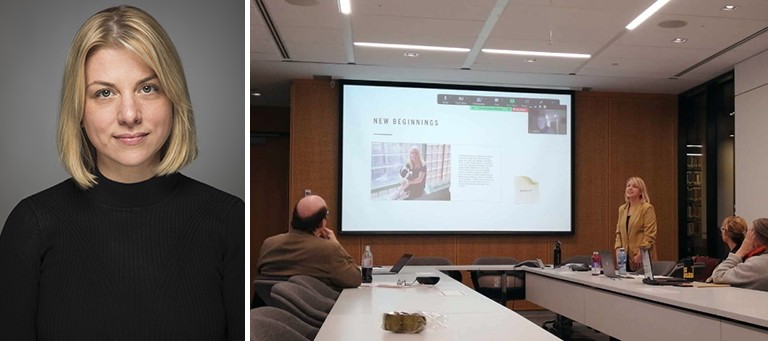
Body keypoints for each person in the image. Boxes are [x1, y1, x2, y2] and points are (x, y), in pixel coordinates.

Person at [0, 6, 243, 340]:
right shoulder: (31, 225)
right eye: (104, 93)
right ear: (78, 111)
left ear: (174, 98)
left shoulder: (230, 222)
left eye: (148, 88)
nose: (129, 114)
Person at [257, 195, 362, 289]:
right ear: (322, 223)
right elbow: (355, 279)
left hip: (273, 308)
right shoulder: (328, 249)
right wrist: (337, 246)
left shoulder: (269, 244)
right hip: (317, 309)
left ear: (293, 218)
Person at [614, 176, 657, 272]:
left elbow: (649, 235)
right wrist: (617, 251)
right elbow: (618, 233)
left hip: (641, 259)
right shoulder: (622, 209)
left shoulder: (647, 208)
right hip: (624, 259)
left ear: (641, 191)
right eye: (628, 186)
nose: (630, 188)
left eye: (634, 186)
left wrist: (640, 254)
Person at [710, 218, 768, 289]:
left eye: (749, 233)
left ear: (754, 237)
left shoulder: (757, 264)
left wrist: (741, 251)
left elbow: (718, 275)